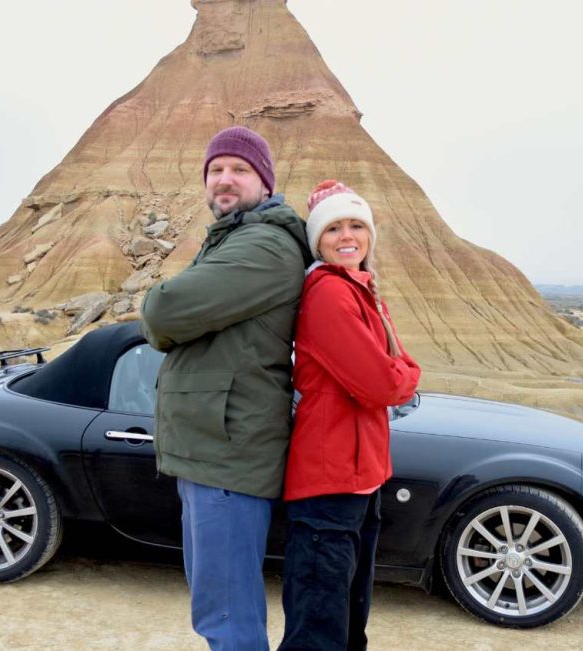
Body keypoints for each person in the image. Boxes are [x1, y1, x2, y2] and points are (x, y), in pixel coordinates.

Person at [140, 125, 313, 650]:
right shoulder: (236, 237)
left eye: (239, 169)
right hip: (213, 451)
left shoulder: (264, 245)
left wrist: (161, 314)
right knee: (218, 608)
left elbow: (163, 311)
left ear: (265, 182)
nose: (225, 179)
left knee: (228, 616)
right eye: (216, 169)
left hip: (228, 456)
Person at [279, 180, 421, 651]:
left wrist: (396, 372)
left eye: (357, 225)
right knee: (319, 623)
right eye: (334, 227)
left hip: (359, 478)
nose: (347, 236)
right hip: (329, 481)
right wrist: (408, 371)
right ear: (317, 240)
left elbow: (384, 375)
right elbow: (382, 384)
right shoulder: (329, 294)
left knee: (348, 614)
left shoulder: (360, 289)